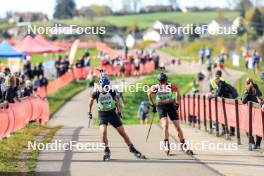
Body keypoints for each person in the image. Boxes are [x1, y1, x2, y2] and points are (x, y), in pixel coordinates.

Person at [88, 76, 146, 160]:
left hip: (112, 113)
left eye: (106, 87)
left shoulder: (111, 91)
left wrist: (118, 111)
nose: (105, 89)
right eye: (103, 87)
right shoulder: (96, 92)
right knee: (103, 132)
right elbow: (90, 101)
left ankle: (132, 148)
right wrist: (89, 112)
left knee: (122, 132)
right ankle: (106, 149)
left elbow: (116, 101)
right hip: (103, 115)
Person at [148, 73, 193, 155]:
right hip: (161, 106)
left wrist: (177, 103)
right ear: (159, 81)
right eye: (161, 82)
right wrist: (152, 105)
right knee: (165, 125)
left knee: (177, 126)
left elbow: (177, 92)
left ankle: (183, 145)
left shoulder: (171, 86)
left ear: (166, 80)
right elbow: (149, 93)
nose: (163, 83)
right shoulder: (156, 87)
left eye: (164, 81)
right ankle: (166, 145)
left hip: (170, 105)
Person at [241, 78, 262, 149]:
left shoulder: (248, 90)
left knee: (247, 128)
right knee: (258, 127)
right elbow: (260, 98)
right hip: (259, 111)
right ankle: (258, 144)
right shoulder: (258, 89)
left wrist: (246, 92)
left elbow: (243, 101)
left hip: (251, 112)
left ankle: (252, 143)